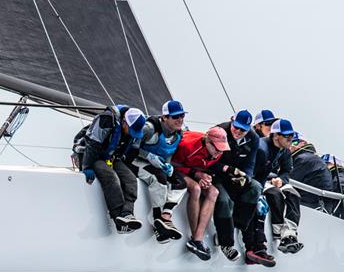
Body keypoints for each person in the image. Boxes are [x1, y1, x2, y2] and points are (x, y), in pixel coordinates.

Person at [76, 105, 146, 233]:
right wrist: (87, 166)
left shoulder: (134, 127)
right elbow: (92, 144)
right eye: (130, 129)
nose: (132, 134)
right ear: (124, 121)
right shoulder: (107, 120)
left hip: (111, 157)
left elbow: (131, 152)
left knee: (130, 179)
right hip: (92, 155)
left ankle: (127, 214)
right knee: (111, 177)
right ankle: (118, 218)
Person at [130, 100, 188, 243]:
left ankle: (166, 215)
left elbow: (169, 150)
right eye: (175, 117)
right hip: (135, 161)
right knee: (159, 179)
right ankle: (156, 219)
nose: (180, 120)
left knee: (181, 183)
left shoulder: (180, 132)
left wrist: (168, 165)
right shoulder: (149, 128)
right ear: (164, 118)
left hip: (158, 164)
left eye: (181, 116)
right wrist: (148, 156)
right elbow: (130, 147)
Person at [172, 126, 230, 260]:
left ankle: (198, 239)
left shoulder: (218, 152)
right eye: (216, 148)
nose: (218, 153)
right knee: (196, 189)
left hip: (194, 171)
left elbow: (207, 166)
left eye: (222, 149)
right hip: (179, 169)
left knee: (213, 192)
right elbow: (172, 163)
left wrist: (207, 178)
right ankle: (195, 237)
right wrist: (196, 174)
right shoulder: (187, 145)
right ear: (207, 141)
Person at [212, 110, 263, 261]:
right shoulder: (220, 131)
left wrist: (245, 177)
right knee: (224, 200)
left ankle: (235, 227)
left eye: (243, 129)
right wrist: (226, 169)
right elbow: (208, 160)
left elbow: (250, 164)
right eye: (236, 127)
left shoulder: (253, 138)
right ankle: (226, 243)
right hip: (217, 175)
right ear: (232, 121)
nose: (239, 131)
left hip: (235, 177)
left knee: (255, 187)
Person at [251, 119, 303, 258]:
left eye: (291, 135)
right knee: (274, 193)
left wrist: (281, 179)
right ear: (275, 135)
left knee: (293, 193)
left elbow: (286, 171)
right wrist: (269, 179)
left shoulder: (285, 150)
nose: (290, 139)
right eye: (287, 136)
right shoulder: (262, 147)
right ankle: (277, 231)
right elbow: (253, 171)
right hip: (260, 179)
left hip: (274, 180)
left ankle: (289, 234)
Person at [289, 135, 335, 210]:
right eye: (288, 142)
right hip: (317, 206)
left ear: (303, 143)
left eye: (294, 142)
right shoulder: (311, 158)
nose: (290, 145)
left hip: (309, 206)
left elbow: (290, 179)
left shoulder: (304, 159)